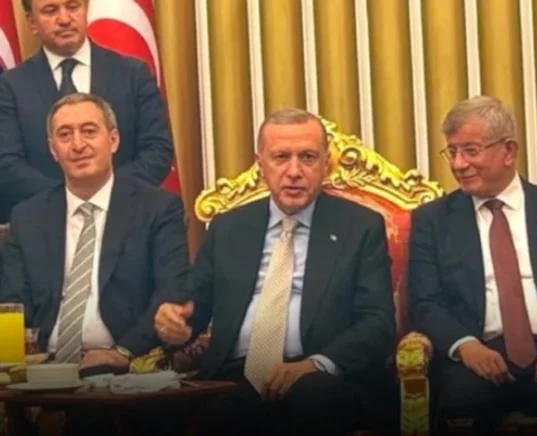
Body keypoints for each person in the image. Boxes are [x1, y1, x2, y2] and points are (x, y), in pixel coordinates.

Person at [153, 109, 396, 435]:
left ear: (325, 163)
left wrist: (315, 364)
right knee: (186, 413)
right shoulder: (228, 228)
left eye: (307, 157)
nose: (294, 171)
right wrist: (175, 323)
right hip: (234, 378)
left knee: (312, 400)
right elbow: (193, 306)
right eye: (281, 157)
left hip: (321, 375)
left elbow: (377, 323)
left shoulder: (360, 227)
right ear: (261, 164)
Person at [408, 96, 537, 435]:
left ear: (508, 151)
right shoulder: (432, 220)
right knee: (461, 404)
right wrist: (465, 346)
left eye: (470, 151)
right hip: (475, 354)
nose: (458, 164)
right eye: (452, 152)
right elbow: (424, 302)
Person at [0, 92, 188, 370]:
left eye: (89, 131)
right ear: (53, 150)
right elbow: (11, 303)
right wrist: (10, 365)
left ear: (113, 140)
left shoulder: (158, 209)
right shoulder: (28, 217)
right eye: (65, 135)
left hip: (128, 364)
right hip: (42, 367)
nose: (78, 145)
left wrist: (123, 353)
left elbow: (170, 295)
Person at [0, 0, 173, 223]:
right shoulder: (9, 87)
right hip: (44, 225)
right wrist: (69, 200)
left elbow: (157, 150)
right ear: (32, 22)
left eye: (73, 7)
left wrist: (107, 195)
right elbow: (6, 163)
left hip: (126, 219)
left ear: (86, 9)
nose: (64, 19)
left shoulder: (133, 74)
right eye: (51, 11)